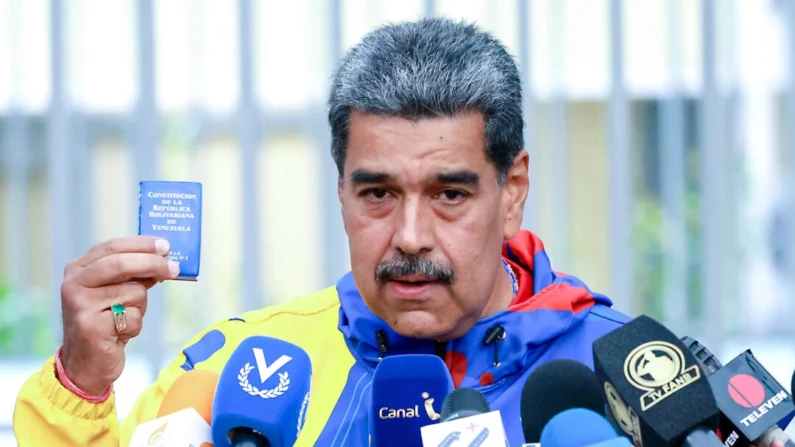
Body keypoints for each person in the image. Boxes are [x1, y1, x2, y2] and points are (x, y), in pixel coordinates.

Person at [14, 18, 631, 446]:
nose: (410, 236)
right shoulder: (239, 370)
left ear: (513, 190)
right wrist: (82, 383)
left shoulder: (636, 374)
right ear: (341, 192)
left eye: (449, 194)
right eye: (378, 194)